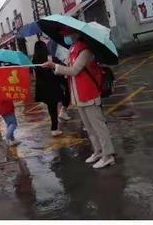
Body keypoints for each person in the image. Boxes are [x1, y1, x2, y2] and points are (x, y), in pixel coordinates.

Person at [42, 30, 115, 169]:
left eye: (69, 34)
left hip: (89, 93)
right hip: (78, 95)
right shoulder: (73, 49)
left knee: (98, 127)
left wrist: (54, 66)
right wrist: (58, 67)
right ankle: (98, 151)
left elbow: (74, 70)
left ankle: (108, 155)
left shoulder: (85, 51)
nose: (67, 37)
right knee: (89, 127)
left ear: (77, 34)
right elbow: (69, 69)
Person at [32, 41, 71, 138]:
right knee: (62, 100)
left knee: (51, 108)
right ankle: (55, 127)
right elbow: (60, 68)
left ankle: (55, 127)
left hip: (43, 89)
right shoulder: (50, 59)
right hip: (53, 86)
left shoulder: (34, 61)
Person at [0, 78, 20, 146]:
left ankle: (12, 140)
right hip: (8, 109)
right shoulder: (3, 87)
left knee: (9, 124)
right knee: (13, 124)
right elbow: (9, 96)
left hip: (2, 110)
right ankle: (7, 137)